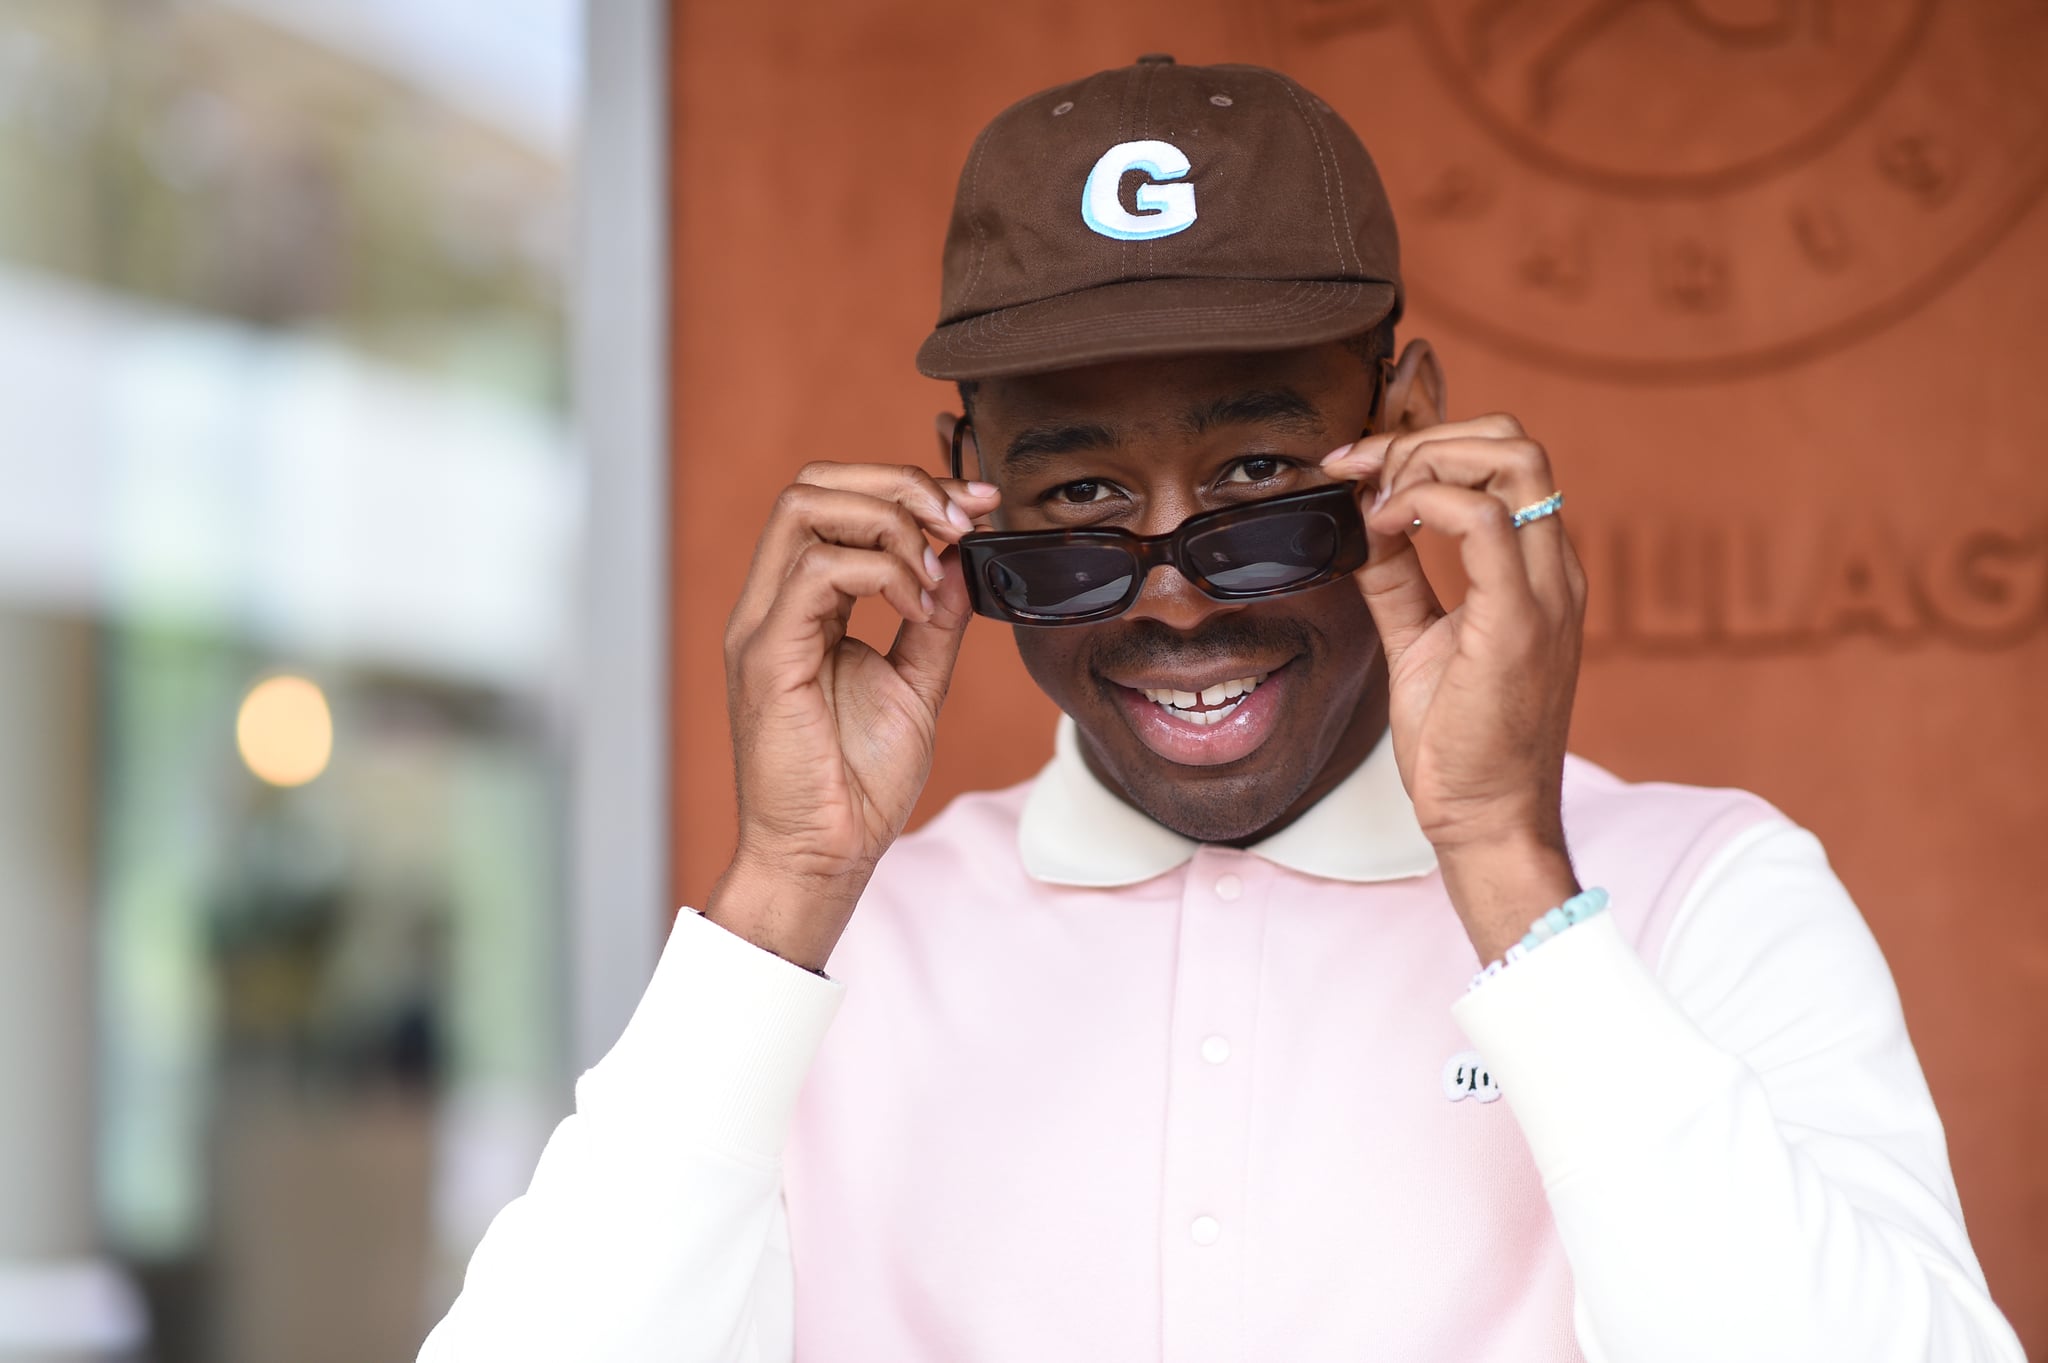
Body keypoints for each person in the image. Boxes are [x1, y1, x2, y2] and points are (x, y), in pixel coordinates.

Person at [418, 56, 2024, 1363]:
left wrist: (1508, 871)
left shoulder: (1699, 898)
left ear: (1408, 433)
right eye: (1081, 496)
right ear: (965, 495)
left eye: (1259, 480)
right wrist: (783, 896)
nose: (1175, 594)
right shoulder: (832, 965)